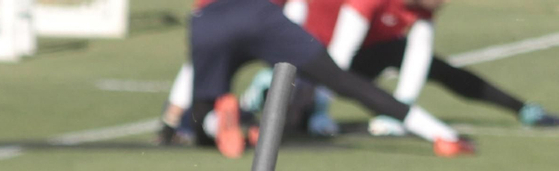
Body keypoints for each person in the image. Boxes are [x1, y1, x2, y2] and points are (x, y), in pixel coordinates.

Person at [186, 0, 473, 158]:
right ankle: (440, 135)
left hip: (209, 20)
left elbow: (188, 70)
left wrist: (171, 115)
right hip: (263, 17)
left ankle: (216, 122)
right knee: (343, 80)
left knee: (200, 114)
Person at [305, 0, 559, 137]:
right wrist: (321, 111)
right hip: (313, 59)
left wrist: (399, 113)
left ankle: (523, 110)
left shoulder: (423, 10)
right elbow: (339, 55)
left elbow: (420, 58)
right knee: (296, 112)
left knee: (441, 69)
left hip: (368, 54)